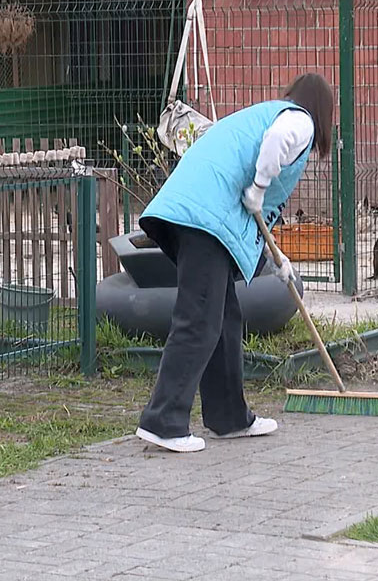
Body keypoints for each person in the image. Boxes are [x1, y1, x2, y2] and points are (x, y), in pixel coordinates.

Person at [134, 73, 335, 453]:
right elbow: (276, 147)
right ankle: (163, 421)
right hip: (202, 219)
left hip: (193, 214)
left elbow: (246, 204)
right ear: (323, 112)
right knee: (200, 318)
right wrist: (260, 186)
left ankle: (229, 417)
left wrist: (275, 259)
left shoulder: (261, 115)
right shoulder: (298, 119)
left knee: (224, 319)